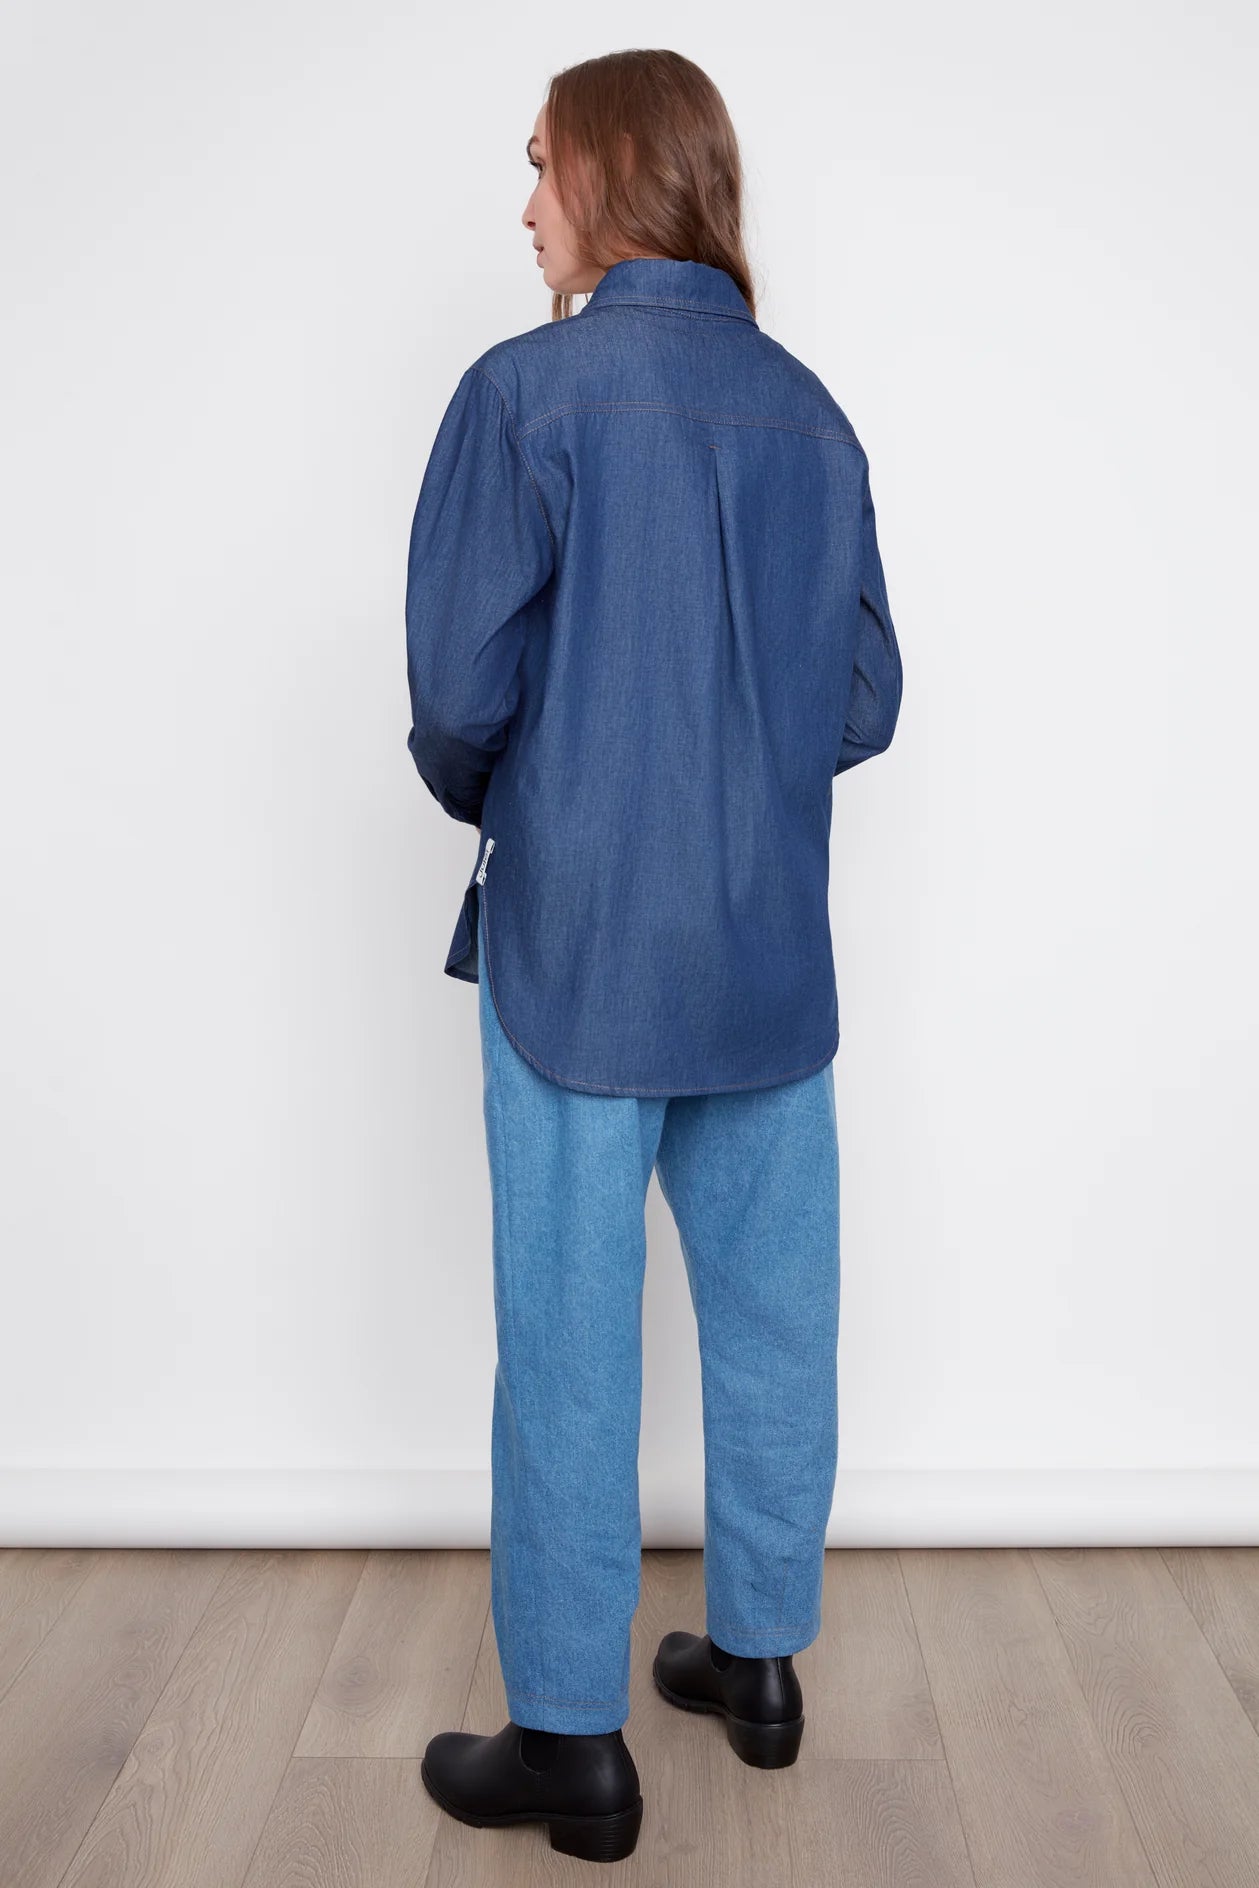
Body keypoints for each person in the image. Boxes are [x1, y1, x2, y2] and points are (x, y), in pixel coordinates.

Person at [406, 49, 903, 1864]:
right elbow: (863, 695)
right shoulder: (813, 416)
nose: (524, 203)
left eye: (541, 168)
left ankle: (569, 1744)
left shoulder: (522, 395)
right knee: (778, 1320)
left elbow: (458, 693)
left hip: (580, 947)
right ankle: (761, 1667)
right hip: (768, 954)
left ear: (612, 179)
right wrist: (731, 767)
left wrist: (540, 793)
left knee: (566, 1334)